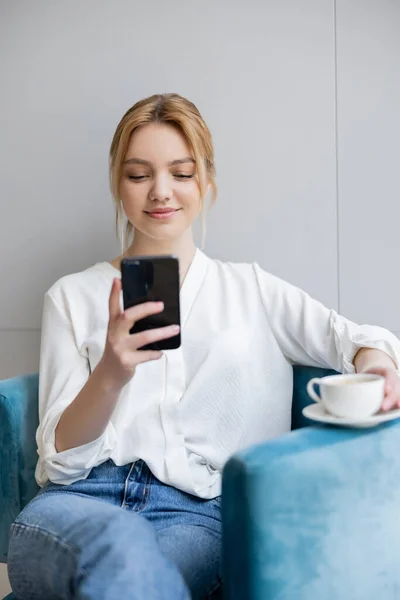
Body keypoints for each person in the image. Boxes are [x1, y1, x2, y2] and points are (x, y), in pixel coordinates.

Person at [7, 93, 400, 600]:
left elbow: (359, 340)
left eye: (182, 172)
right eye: (138, 174)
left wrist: (378, 367)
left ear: (207, 180)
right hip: (77, 504)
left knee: (131, 571)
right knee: (117, 542)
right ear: (117, 185)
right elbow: (58, 462)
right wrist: (111, 374)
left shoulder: (252, 289)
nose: (161, 192)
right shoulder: (71, 296)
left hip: (195, 515)